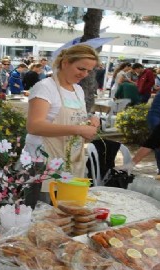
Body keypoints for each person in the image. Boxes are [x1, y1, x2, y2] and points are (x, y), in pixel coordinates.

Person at [25, 44, 100, 187]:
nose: (84, 74)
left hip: (71, 160)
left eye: (89, 71)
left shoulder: (78, 89)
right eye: (81, 68)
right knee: (44, 207)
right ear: (65, 63)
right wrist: (78, 130)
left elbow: (76, 117)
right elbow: (34, 126)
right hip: (43, 160)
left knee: (68, 206)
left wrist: (90, 119)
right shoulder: (45, 87)